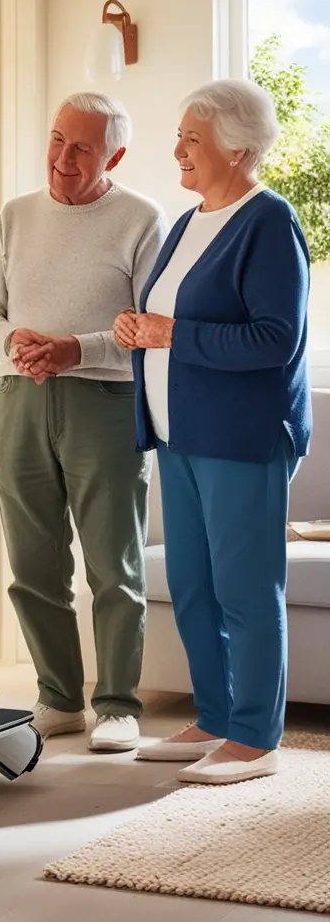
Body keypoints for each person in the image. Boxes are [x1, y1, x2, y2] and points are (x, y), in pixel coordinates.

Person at [116, 78, 310, 785]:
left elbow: (274, 339)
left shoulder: (269, 222)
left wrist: (171, 332)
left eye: (190, 139)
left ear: (237, 146)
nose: (177, 152)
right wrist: (139, 330)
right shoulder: (191, 220)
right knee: (195, 585)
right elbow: (171, 325)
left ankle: (256, 738)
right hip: (179, 434)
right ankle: (218, 717)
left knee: (245, 588)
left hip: (242, 437)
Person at [0, 92, 166, 753]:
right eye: (58, 139)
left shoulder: (141, 219)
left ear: (113, 154)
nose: (63, 157)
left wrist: (73, 349)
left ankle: (117, 704)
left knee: (114, 565)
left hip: (104, 404)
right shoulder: (16, 215)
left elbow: (145, 331)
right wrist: (13, 341)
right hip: (20, 400)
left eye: (82, 146)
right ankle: (58, 697)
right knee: (32, 564)